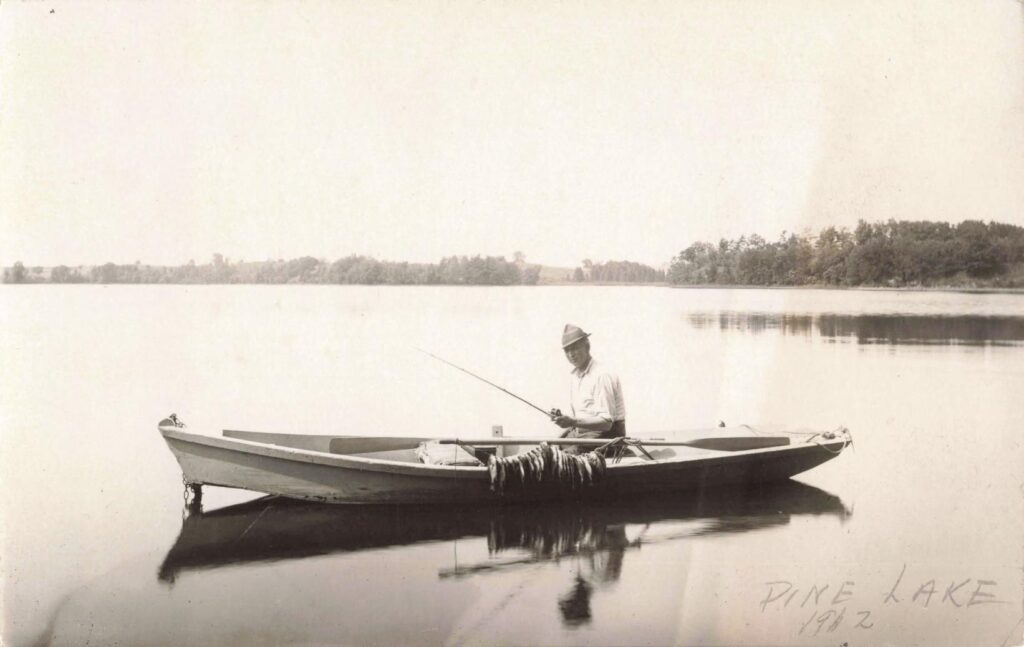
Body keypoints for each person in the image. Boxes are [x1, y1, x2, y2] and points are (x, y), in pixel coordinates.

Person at [550, 324, 626, 443]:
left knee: (561, 454)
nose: (571, 354)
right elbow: (580, 419)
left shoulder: (601, 375)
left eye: (575, 348)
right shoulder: (575, 376)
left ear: (587, 346)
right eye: (567, 350)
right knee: (547, 448)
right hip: (583, 436)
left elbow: (607, 423)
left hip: (606, 438)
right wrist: (556, 439)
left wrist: (572, 421)